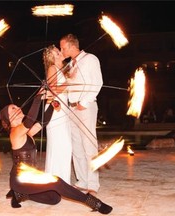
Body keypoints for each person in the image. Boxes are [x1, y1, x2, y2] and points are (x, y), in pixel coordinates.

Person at [0, 90, 112, 214]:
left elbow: (43, 122)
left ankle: (20, 195)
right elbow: (30, 120)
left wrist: (52, 107)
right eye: (13, 109)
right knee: (55, 181)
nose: (18, 108)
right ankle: (94, 203)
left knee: (54, 198)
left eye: (16, 106)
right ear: (9, 119)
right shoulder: (14, 133)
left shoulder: (26, 132)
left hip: (31, 177)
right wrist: (38, 98)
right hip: (20, 179)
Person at [60, 34, 103, 194]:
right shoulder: (70, 64)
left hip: (85, 107)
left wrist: (83, 103)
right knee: (76, 146)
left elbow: (97, 82)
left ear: (72, 46)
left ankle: (93, 184)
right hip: (71, 108)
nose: (62, 50)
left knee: (89, 146)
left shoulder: (91, 59)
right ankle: (82, 180)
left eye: (63, 47)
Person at [42, 44, 72, 184]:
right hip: (56, 109)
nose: (60, 53)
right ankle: (55, 181)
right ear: (51, 57)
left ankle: (63, 181)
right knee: (59, 145)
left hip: (64, 109)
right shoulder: (52, 68)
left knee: (66, 146)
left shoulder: (64, 69)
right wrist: (67, 84)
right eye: (56, 52)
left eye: (59, 51)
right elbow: (51, 91)